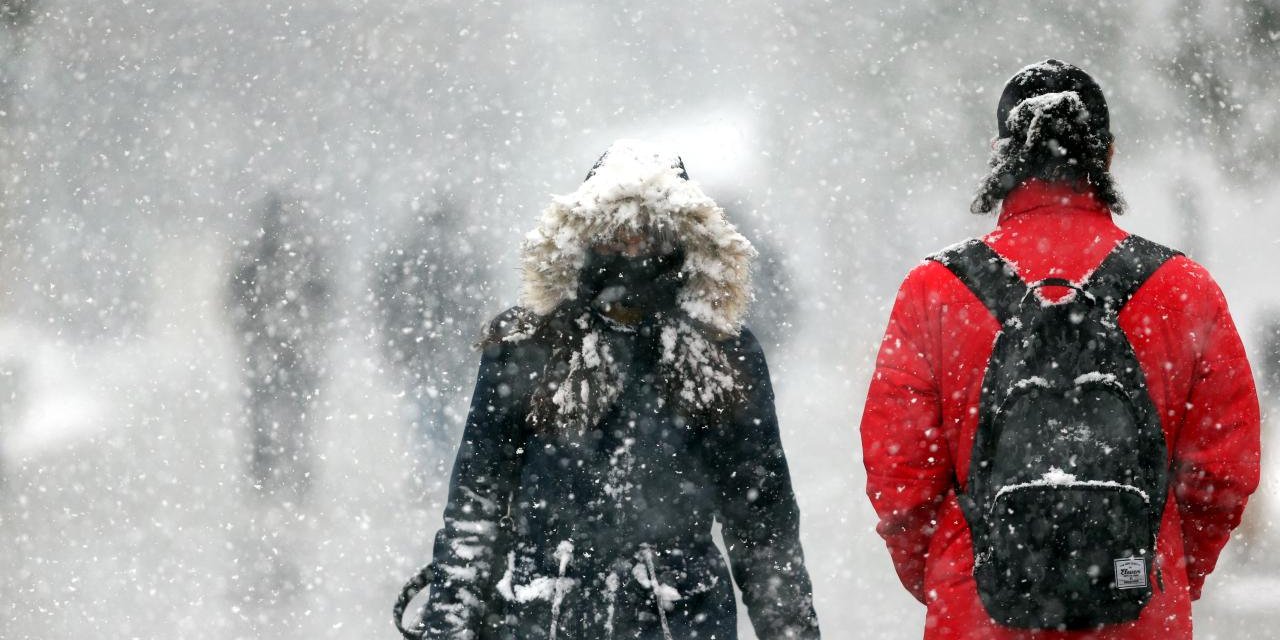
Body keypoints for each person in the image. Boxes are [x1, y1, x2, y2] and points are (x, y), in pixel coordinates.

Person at [860, 60, 1260, 639]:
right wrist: (1155, 562)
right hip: (1139, 608)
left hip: (979, 614)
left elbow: (900, 481)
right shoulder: (1182, 288)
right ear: (1107, 155)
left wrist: (958, 574)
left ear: (1003, 156)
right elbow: (1222, 473)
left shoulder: (935, 292)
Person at [418, 140, 821, 640]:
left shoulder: (724, 352)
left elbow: (763, 526)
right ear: (582, 239)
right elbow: (477, 506)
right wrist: (449, 624)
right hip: (545, 616)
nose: (632, 252)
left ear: (684, 242)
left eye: (649, 235)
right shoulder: (526, 344)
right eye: (614, 235)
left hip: (681, 620)